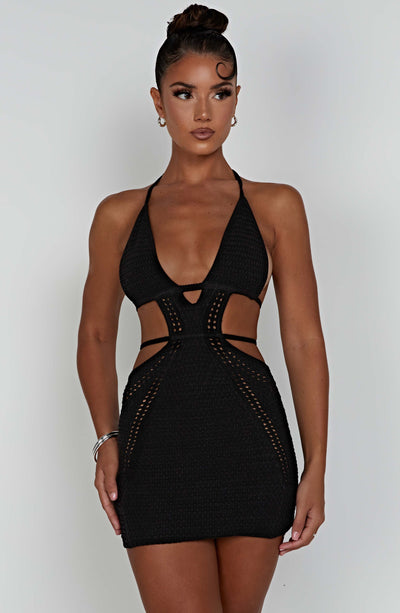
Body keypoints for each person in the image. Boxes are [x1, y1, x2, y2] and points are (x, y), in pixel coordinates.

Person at [77, 4, 328, 611]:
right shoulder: (118, 215)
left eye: (219, 93)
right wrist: (106, 438)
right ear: (159, 102)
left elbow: (302, 339)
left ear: (237, 99)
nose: (203, 112)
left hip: (252, 440)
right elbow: (95, 336)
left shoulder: (276, 206)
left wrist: (316, 466)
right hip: (154, 446)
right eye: (184, 93)